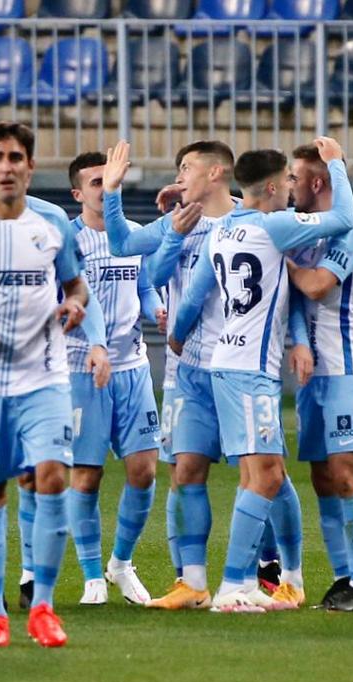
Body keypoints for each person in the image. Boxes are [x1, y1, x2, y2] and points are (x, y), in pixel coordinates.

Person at [0, 122, 110, 648]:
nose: (7, 166)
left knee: (53, 476)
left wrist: (77, 304)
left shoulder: (53, 222)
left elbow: (74, 281)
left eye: (16, 157)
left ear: (30, 167)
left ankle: (43, 607)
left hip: (45, 375)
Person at [170, 136, 353, 613]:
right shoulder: (275, 226)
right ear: (272, 187)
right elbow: (343, 220)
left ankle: (275, 580)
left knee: (266, 474)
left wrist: (177, 336)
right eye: (287, 182)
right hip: (250, 369)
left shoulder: (221, 230)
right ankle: (235, 585)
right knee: (266, 477)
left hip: (224, 364)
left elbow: (193, 296)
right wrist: (336, 166)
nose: (291, 189)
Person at [101, 139, 241, 610]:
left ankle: (276, 573)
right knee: (184, 470)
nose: (178, 175)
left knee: (263, 474)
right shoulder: (179, 221)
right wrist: (114, 192)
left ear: (216, 173)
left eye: (187, 167)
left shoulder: (249, 221)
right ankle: (191, 582)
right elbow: (127, 249)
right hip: (185, 370)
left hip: (242, 365)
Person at [61, 150, 172, 605]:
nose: (105, 188)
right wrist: (87, 339)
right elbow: (61, 300)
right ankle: (90, 575)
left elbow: (143, 286)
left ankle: (120, 564)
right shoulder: (66, 240)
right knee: (85, 477)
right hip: (79, 370)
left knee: (144, 471)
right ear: (77, 193)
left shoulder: (133, 235)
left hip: (133, 366)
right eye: (95, 182)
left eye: (111, 182)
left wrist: (157, 309)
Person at [285, 144, 353, 612]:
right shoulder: (304, 232)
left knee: (346, 474)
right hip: (316, 372)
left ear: (317, 183)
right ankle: (342, 578)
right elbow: (297, 305)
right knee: (322, 476)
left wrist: (278, 259)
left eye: (295, 178)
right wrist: (299, 342)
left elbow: (316, 286)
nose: (288, 186)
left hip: (350, 369)